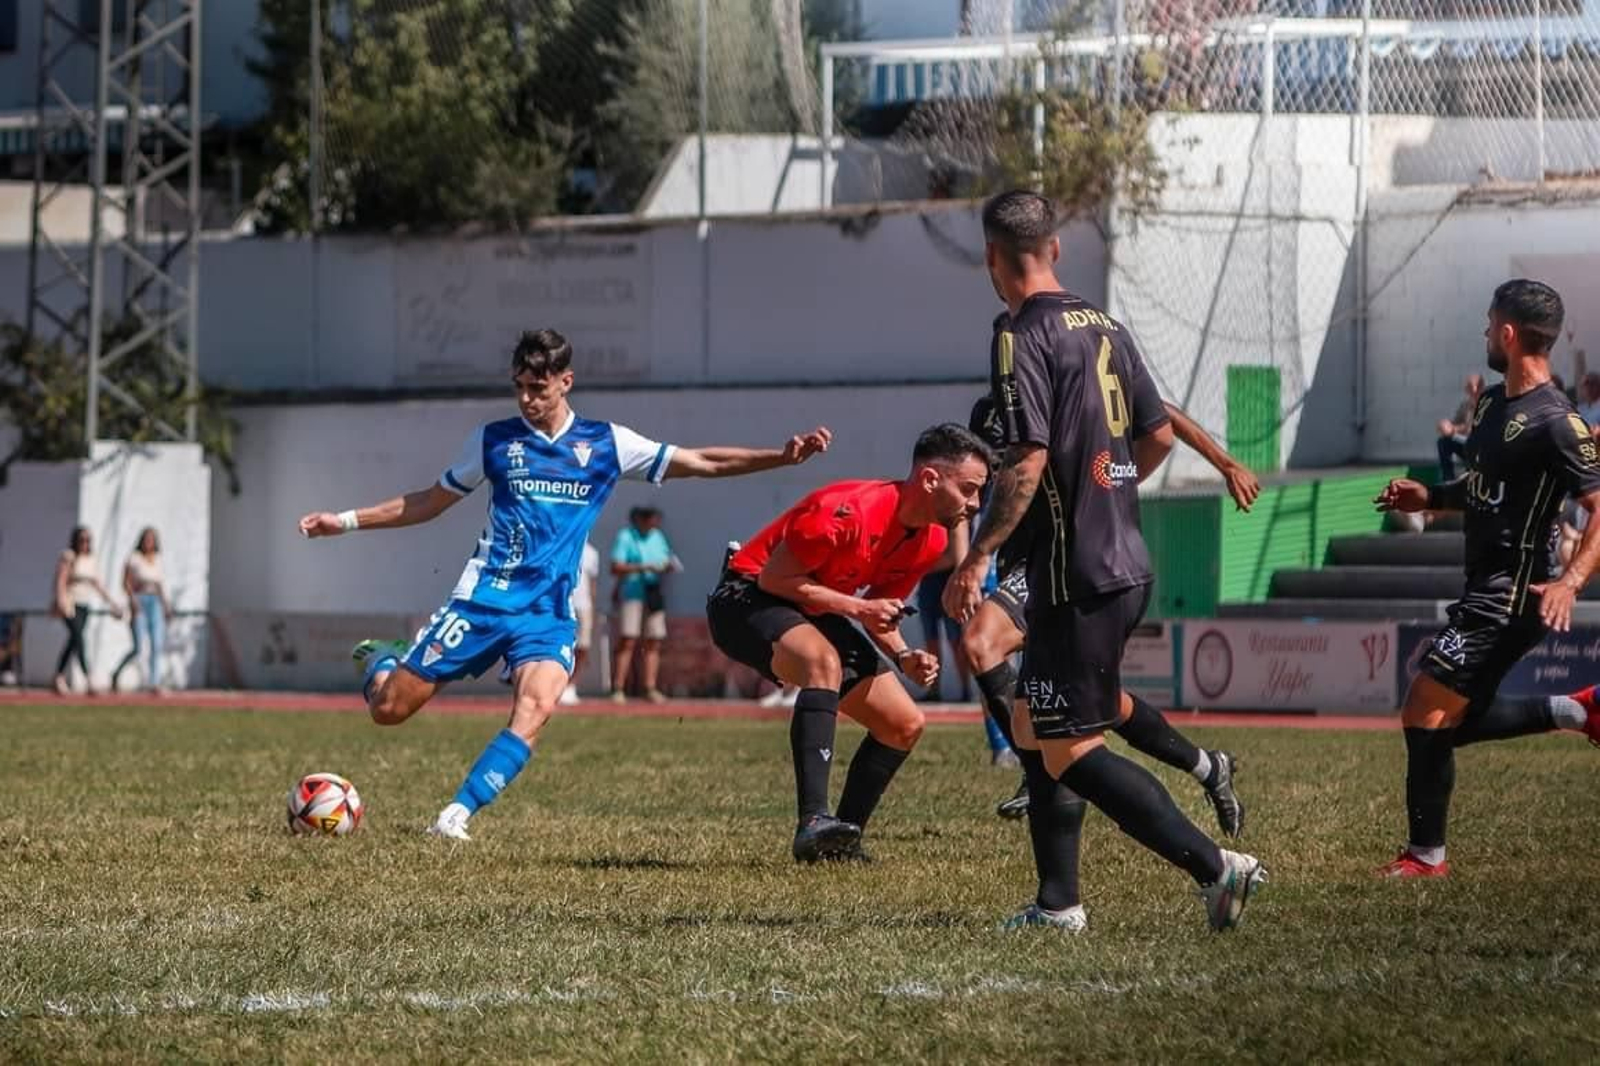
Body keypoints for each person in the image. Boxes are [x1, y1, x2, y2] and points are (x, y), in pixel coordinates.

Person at [299, 328, 831, 841]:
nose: (527, 399)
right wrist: (344, 521)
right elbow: (428, 501)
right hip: (484, 599)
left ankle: (454, 815)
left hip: (547, 612)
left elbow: (700, 461)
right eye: (520, 388)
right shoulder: (493, 440)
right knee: (389, 710)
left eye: (538, 388)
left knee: (537, 706)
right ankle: (382, 662)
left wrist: (780, 457)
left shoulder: (606, 443)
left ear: (565, 382)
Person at [944, 189, 1266, 933]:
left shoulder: (1017, 334)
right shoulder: (1106, 325)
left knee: (1068, 745)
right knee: (1033, 728)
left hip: (1071, 572)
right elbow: (1155, 435)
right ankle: (1059, 904)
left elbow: (1024, 462)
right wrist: (1107, 490)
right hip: (1122, 558)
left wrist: (977, 558)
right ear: (1054, 248)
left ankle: (1216, 868)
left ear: (993, 258)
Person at [1373, 279, 1600, 879]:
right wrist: (1432, 496)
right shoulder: (1495, 404)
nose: (1483, 333)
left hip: (1511, 596)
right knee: (1454, 720)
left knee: (1424, 706)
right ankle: (1580, 711)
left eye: (1487, 323)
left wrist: (1570, 583)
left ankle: (1426, 858)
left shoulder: (1558, 422)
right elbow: (1484, 493)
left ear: (1507, 333)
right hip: (1485, 587)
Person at [963, 393, 1259, 827]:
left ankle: (1038, 775)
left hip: (1071, 561)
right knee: (1098, 701)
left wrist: (1225, 464)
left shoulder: (1069, 383)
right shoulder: (992, 406)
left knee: (982, 643)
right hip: (1030, 559)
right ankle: (1208, 766)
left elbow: (1161, 422)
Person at [706, 424, 991, 862]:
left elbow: (879, 608)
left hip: (813, 607)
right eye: (968, 490)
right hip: (745, 597)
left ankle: (839, 842)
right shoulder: (847, 511)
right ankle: (813, 822)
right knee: (823, 662)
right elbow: (774, 579)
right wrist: (859, 612)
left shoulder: (930, 537)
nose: (974, 504)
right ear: (931, 479)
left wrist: (903, 655)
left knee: (903, 724)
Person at [610, 507, 674, 704]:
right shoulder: (626, 536)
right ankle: (618, 687)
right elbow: (616, 566)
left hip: (653, 594)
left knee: (654, 640)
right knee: (628, 639)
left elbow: (667, 559)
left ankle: (650, 687)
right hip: (632, 594)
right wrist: (644, 567)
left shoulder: (658, 537)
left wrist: (667, 566)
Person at [52, 526, 123, 696]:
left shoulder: (90, 559)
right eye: (82, 539)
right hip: (70, 604)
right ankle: (88, 677)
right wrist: (61, 601)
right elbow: (60, 581)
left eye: (87, 540)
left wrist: (113, 604)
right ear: (75, 540)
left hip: (84, 606)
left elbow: (97, 585)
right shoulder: (69, 556)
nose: (85, 543)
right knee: (79, 639)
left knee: (73, 641)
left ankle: (58, 676)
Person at [913, 530, 975, 704]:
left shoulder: (954, 524)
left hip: (947, 586)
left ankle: (966, 689)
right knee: (931, 641)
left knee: (956, 641)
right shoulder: (929, 523)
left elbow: (953, 558)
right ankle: (934, 689)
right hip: (929, 588)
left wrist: (923, 566)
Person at [112, 527, 173, 695]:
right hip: (140, 601)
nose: (149, 542)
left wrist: (166, 605)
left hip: (156, 603)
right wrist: (133, 601)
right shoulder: (133, 558)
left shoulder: (158, 559)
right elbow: (125, 582)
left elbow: (160, 585)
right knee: (138, 647)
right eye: (146, 539)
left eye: (152, 539)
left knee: (156, 644)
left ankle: (154, 683)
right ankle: (116, 672)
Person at [561, 537, 601, 705]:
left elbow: (592, 583)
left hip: (584, 605)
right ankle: (559, 684)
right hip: (563, 603)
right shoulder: (563, 546)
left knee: (583, 646)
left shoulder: (591, 552)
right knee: (562, 646)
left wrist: (593, 605)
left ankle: (571, 686)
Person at [1436, 373, 1484, 482]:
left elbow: (1475, 428)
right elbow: (1457, 424)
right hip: (1466, 443)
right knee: (1443, 442)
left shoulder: (1488, 404)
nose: (1471, 391)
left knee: (1473, 444)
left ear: (1481, 387)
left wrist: (1454, 430)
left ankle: (1471, 476)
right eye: (1468, 387)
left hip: (1481, 447)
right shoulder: (1465, 405)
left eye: (1473, 387)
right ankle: (1448, 479)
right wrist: (1446, 426)